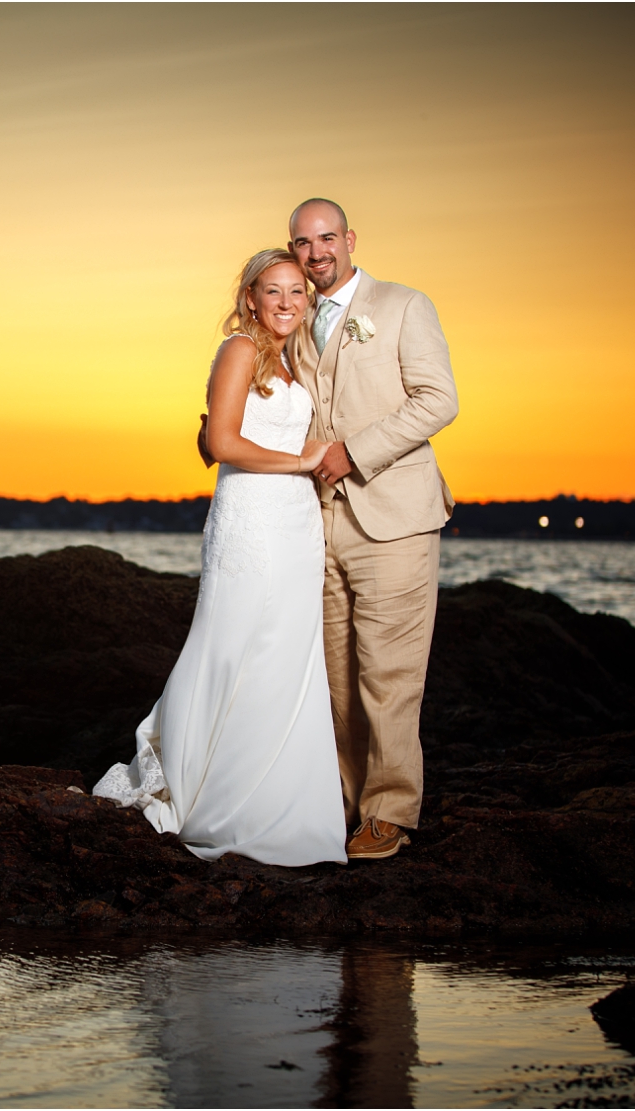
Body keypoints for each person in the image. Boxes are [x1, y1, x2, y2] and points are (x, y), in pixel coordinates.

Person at [93, 249, 347, 867]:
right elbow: (222, 441)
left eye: (296, 291)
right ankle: (204, 787)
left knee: (287, 655)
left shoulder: (295, 359)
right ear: (251, 297)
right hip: (251, 519)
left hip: (295, 524)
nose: (286, 302)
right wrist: (302, 461)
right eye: (273, 290)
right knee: (231, 645)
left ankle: (281, 802)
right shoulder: (238, 350)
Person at [283, 198, 459, 860]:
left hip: (394, 517)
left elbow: (439, 399)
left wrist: (354, 451)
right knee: (333, 674)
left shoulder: (403, 306)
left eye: (327, 238)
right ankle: (343, 803)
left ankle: (389, 810)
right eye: (302, 241)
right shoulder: (295, 316)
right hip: (317, 522)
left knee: (388, 673)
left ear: (349, 239)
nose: (316, 251)